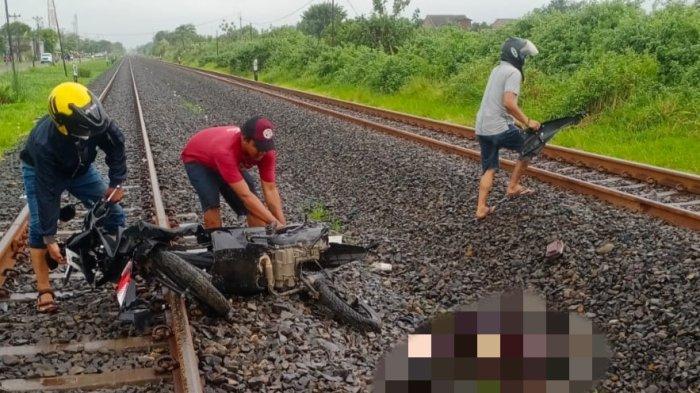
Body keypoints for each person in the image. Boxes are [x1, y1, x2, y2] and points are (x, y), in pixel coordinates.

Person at [20, 82, 127, 313]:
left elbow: (116, 145)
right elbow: (47, 193)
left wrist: (116, 182)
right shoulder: (43, 143)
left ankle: (116, 267)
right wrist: (50, 239)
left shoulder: (97, 119)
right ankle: (44, 289)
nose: (91, 134)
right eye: (84, 130)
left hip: (81, 170)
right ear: (63, 125)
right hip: (43, 171)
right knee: (40, 227)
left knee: (114, 213)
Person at [474, 37, 542, 220]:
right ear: (516, 54)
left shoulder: (496, 69)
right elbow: (509, 103)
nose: (524, 59)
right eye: (523, 55)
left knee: (489, 168)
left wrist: (515, 121)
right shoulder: (514, 72)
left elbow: (499, 104)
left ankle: (481, 208)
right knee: (531, 144)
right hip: (497, 128)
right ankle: (513, 186)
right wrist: (528, 121)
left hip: (482, 128)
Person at [181, 116, 286, 229]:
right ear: (244, 140)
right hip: (198, 160)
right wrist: (274, 223)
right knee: (211, 203)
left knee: (255, 205)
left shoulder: (267, 153)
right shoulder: (226, 151)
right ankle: (216, 241)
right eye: (258, 147)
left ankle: (260, 242)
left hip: (222, 158)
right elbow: (245, 196)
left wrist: (283, 225)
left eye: (266, 147)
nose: (262, 152)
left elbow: (270, 189)